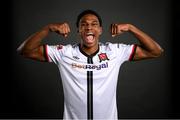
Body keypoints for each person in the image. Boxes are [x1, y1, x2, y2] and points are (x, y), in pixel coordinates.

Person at [17, 9, 164, 119]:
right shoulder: (64, 53)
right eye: (84, 25)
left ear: (100, 30)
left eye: (94, 24)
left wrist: (131, 28)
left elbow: (156, 51)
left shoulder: (115, 51)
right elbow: (25, 51)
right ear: (78, 30)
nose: (89, 27)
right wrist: (48, 28)